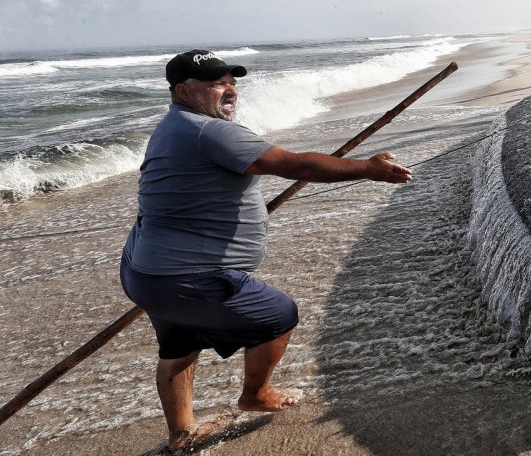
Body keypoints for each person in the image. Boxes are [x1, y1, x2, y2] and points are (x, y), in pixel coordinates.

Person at [120, 50, 414, 451]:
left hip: (146, 270)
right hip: (184, 275)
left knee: (180, 346)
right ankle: (255, 394)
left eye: (232, 81)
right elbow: (296, 165)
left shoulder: (173, 126)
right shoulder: (210, 131)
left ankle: (181, 434)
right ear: (184, 91)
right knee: (278, 315)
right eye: (217, 83)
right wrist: (369, 169)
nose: (230, 90)